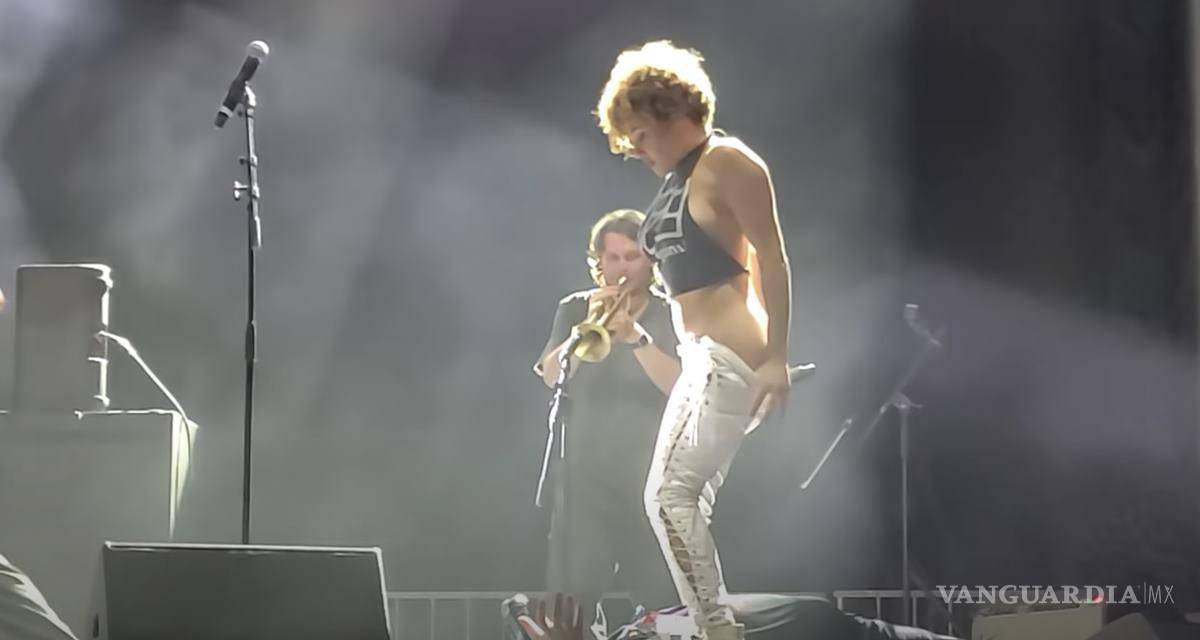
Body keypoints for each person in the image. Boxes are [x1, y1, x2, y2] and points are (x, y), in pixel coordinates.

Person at [594, 41, 794, 640]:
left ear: (669, 112)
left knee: (668, 498)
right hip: (699, 357)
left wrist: (777, 355)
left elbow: (770, 257)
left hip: (725, 355)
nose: (635, 150)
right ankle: (712, 624)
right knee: (683, 501)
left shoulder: (727, 161)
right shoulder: (678, 180)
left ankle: (716, 630)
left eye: (639, 135)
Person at [535, 209, 680, 628]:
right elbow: (551, 375)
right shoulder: (574, 308)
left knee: (666, 606)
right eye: (613, 258)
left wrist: (635, 337)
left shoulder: (672, 312)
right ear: (598, 262)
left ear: (650, 261)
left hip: (650, 483)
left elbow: (679, 386)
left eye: (632, 257)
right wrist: (583, 330)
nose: (623, 268)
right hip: (584, 485)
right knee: (569, 609)